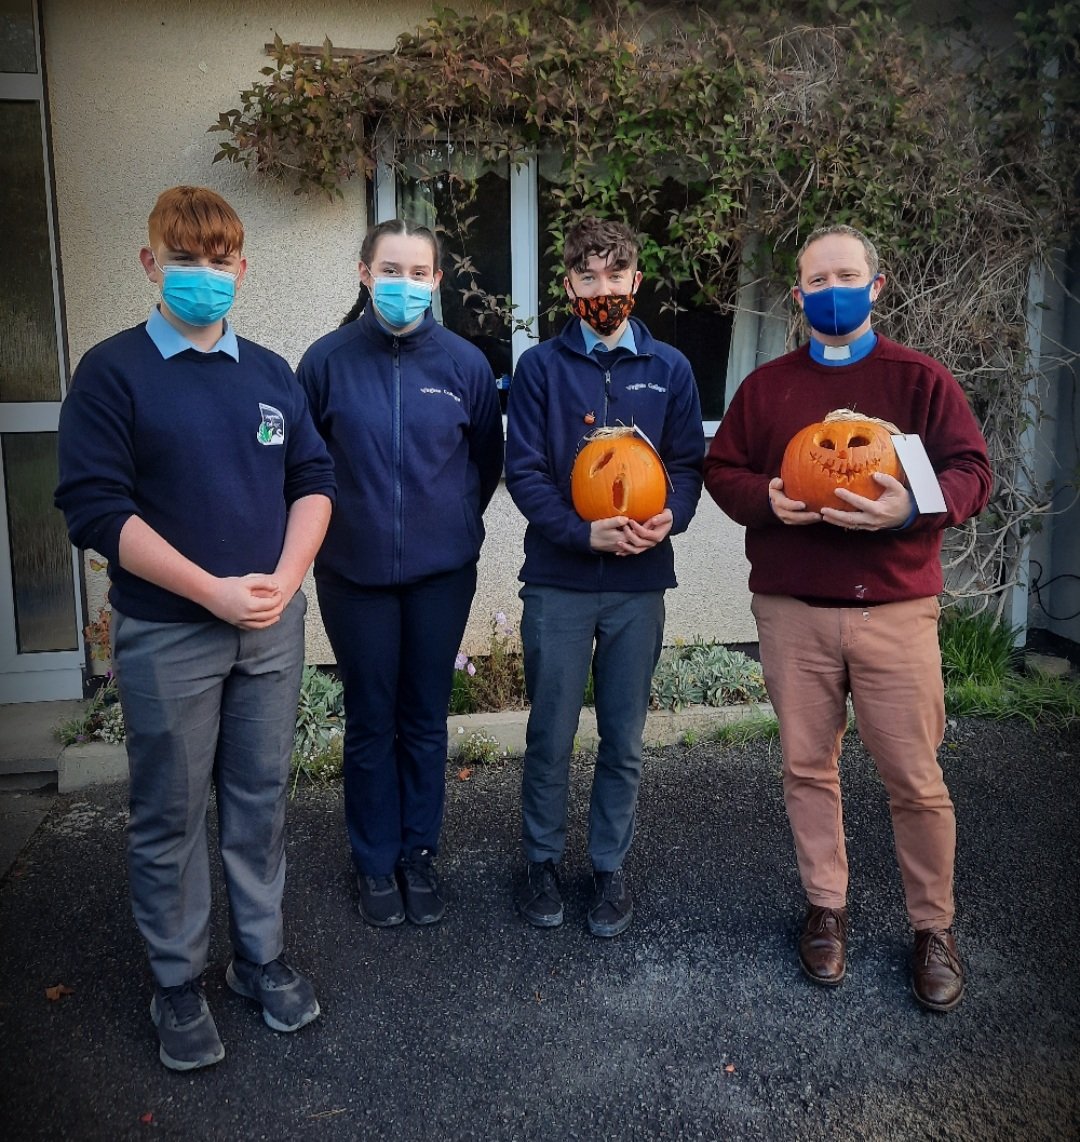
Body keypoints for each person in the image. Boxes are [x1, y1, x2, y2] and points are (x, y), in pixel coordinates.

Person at [54, 186, 335, 1070]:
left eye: (219, 261)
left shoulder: (270, 374)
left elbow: (313, 479)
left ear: (243, 269)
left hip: (269, 630)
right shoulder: (112, 371)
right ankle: (177, 981)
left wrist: (285, 584)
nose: (204, 275)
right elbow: (95, 507)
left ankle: (259, 958)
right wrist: (210, 591)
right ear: (150, 264)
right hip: (170, 631)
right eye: (185, 258)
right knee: (171, 813)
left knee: (258, 801)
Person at [704, 223, 992, 1011]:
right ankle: (825, 907)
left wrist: (912, 507)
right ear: (798, 298)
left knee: (915, 777)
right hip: (794, 609)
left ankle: (933, 928)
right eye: (816, 280)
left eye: (846, 275)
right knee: (806, 767)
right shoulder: (768, 388)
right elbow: (722, 468)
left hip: (896, 611)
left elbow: (973, 471)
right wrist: (761, 497)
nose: (832, 290)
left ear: (876, 285)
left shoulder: (920, 381)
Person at [297, 220, 503, 929]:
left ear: (438, 281)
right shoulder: (324, 362)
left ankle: (418, 852)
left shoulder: (464, 366)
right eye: (391, 269)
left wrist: (457, 527)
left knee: (423, 719)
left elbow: (485, 461)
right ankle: (374, 860)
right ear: (362, 272)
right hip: (352, 575)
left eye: (419, 273)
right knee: (370, 719)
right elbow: (305, 469)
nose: (405, 284)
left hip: (441, 576)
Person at [505, 217, 704, 937]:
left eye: (615, 277)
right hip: (558, 580)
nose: (602, 290)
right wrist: (577, 529)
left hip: (637, 583)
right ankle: (540, 862)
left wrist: (671, 518)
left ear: (635, 282)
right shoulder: (539, 370)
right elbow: (522, 470)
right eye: (587, 277)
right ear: (568, 285)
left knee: (622, 737)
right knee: (550, 733)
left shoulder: (671, 369)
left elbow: (686, 466)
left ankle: (610, 869)